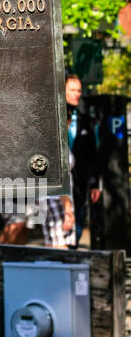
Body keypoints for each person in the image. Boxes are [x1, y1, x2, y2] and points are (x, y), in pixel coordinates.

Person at [65, 74, 101, 245]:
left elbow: (93, 155)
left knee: (78, 223)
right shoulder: (54, 118)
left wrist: (95, 184)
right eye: (72, 90)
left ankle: (72, 253)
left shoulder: (86, 121)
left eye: (79, 90)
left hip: (80, 183)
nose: (77, 94)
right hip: (60, 184)